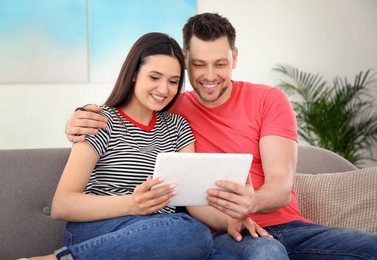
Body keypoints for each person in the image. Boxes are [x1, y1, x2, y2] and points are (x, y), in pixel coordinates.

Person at [65, 13, 377, 259]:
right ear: (186, 59)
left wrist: (250, 202)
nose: (210, 76)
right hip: (222, 232)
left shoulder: (266, 101)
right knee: (253, 250)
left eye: (220, 63)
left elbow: (280, 188)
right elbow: (128, 117)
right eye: (199, 64)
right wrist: (78, 120)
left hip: (287, 226)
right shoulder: (171, 107)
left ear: (235, 57)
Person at [26, 32, 259, 260]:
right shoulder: (98, 120)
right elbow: (62, 204)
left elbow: (192, 203)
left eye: (173, 81)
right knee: (194, 233)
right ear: (134, 74)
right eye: (154, 77)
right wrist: (131, 204)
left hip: (160, 236)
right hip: (99, 232)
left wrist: (230, 221)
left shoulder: (178, 127)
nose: (163, 89)